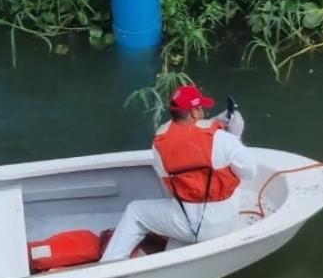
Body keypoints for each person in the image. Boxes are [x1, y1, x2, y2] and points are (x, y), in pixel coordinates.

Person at [99, 84, 257, 262]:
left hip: (186, 224)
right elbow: (250, 172)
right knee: (233, 180)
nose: (203, 113)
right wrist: (235, 137)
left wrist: (213, 125)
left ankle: (110, 262)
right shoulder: (223, 139)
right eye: (201, 109)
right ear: (194, 112)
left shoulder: (159, 144)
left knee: (136, 211)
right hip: (225, 222)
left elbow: (170, 174)